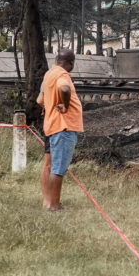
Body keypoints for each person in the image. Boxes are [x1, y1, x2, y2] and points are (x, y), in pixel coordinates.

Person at [36, 49, 84, 211]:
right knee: (58, 168)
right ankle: (54, 206)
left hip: (51, 125)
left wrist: (51, 106)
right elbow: (64, 89)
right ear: (70, 63)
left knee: (48, 165)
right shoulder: (63, 75)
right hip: (63, 127)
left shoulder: (49, 75)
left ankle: (47, 202)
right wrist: (65, 105)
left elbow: (40, 100)